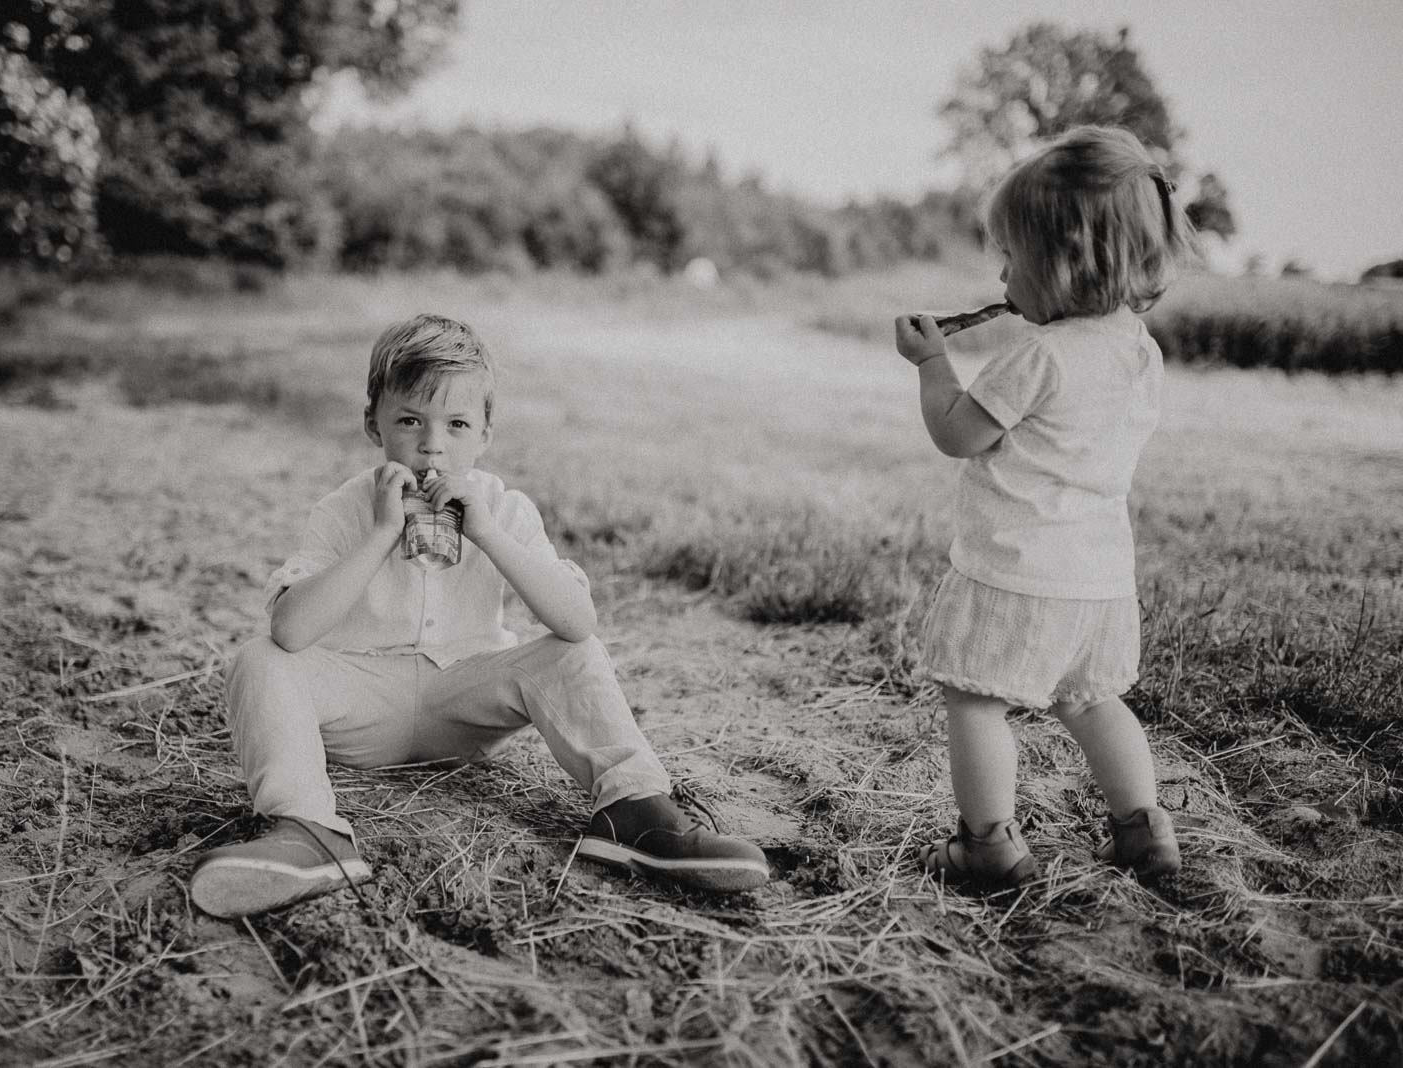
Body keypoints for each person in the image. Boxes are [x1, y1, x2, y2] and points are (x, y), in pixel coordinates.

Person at [189, 314, 769, 917]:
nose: (431, 445)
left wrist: (488, 533)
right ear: (373, 425)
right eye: (409, 420)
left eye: (456, 425)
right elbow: (291, 631)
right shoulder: (345, 509)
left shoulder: (504, 508)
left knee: (573, 653)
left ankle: (633, 812)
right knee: (258, 657)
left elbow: (576, 622)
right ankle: (309, 832)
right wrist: (383, 531)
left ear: (485, 436)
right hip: (360, 705)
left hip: (464, 705)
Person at [893, 126, 1195, 888]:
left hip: (1014, 571)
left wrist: (933, 364)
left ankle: (988, 846)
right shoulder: (1137, 350)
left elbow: (959, 434)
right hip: (1098, 579)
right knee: (1092, 701)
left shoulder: (1039, 354)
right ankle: (1144, 831)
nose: (1001, 272)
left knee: (975, 701)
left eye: (1012, 257)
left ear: (1064, 262)